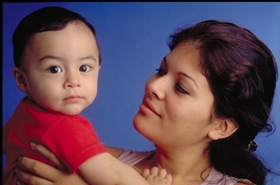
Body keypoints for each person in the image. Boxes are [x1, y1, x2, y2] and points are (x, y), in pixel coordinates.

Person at [14, 19, 278, 185]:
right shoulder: (91, 157)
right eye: (161, 70)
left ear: (222, 126)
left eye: (182, 88)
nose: (153, 86)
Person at [2, 6, 173, 185]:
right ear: (22, 80)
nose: (73, 81)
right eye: (54, 69)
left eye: (84, 68)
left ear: (98, 69)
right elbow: (116, 178)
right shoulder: (67, 128)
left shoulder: (25, 111)